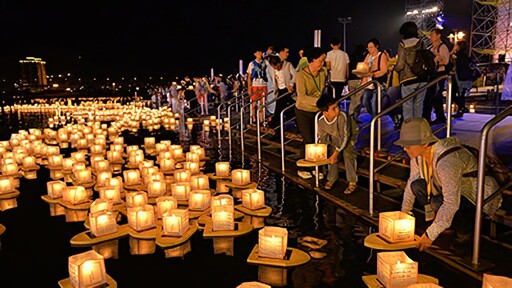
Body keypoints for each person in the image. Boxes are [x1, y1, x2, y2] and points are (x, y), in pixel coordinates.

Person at [396, 118, 502, 251]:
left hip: (475, 194)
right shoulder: (418, 157)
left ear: (424, 143)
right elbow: (411, 182)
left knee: (440, 203)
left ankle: (465, 233)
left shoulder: (447, 161)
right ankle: (445, 222)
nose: (405, 148)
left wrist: (430, 235)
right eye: (404, 144)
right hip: (447, 190)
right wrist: (403, 214)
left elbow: (451, 203)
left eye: (409, 144)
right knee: (417, 185)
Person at [295, 47, 328, 179]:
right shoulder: (301, 76)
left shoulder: (323, 72)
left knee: (317, 140)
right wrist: (320, 102)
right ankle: (302, 167)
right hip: (303, 110)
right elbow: (301, 97)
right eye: (320, 60)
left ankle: (315, 166)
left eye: (323, 60)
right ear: (312, 60)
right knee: (308, 139)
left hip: (316, 111)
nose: (322, 63)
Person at [316, 93, 358, 194]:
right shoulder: (321, 122)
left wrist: (337, 153)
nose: (337, 109)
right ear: (325, 112)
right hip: (336, 139)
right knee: (331, 152)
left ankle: (352, 181)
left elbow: (346, 136)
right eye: (334, 108)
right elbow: (323, 138)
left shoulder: (343, 116)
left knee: (348, 153)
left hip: (349, 137)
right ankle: (332, 178)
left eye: (337, 107)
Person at [394, 21, 428, 120]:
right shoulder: (421, 43)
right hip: (422, 78)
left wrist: (394, 69)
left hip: (408, 79)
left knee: (407, 106)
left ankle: (409, 131)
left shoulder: (402, 44)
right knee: (418, 106)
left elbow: (400, 65)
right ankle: (417, 130)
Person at [423, 28, 450, 124]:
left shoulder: (442, 47)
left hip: (439, 74)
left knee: (436, 95)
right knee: (429, 96)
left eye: (432, 35)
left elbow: (446, 61)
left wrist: (437, 61)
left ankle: (440, 117)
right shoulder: (431, 48)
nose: (430, 37)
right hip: (432, 74)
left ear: (439, 36)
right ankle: (427, 117)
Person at [358, 38, 388, 117]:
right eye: (368, 48)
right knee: (365, 101)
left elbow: (384, 70)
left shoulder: (381, 55)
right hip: (368, 83)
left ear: (376, 46)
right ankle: (374, 117)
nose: (369, 49)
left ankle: (375, 120)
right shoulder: (368, 56)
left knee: (375, 102)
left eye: (371, 47)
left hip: (377, 83)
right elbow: (364, 67)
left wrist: (374, 74)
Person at [247, 48, 269, 124]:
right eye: (258, 52)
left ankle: (261, 119)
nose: (259, 54)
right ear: (255, 54)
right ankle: (253, 117)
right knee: (254, 103)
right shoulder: (252, 63)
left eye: (260, 52)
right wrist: (249, 88)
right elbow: (249, 76)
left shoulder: (265, 62)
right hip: (255, 85)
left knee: (263, 103)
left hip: (264, 84)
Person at [452, 40, 472, 118]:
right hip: (465, 77)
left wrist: (453, 50)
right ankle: (461, 110)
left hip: (458, 77)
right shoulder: (465, 55)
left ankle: (462, 107)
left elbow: (451, 57)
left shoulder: (457, 55)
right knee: (462, 95)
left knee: (453, 94)